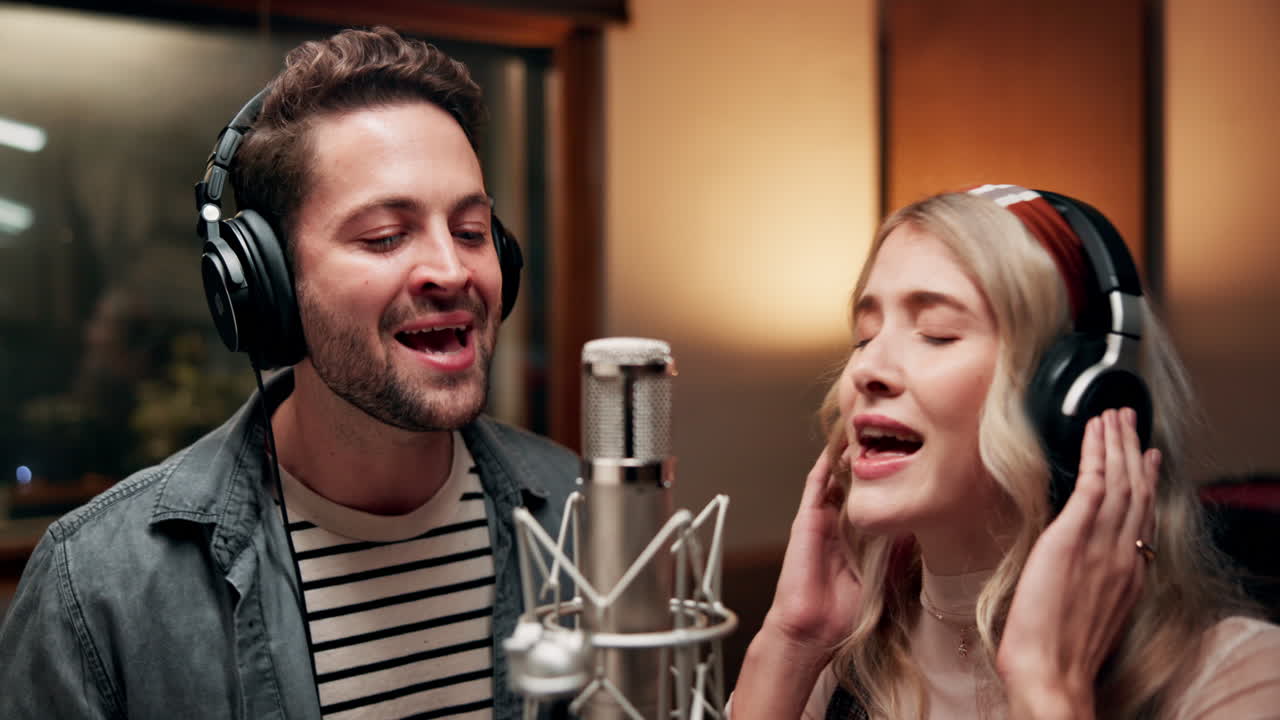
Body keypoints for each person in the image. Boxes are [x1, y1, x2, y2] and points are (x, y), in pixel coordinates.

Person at [0, 27, 577, 719]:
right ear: (264, 285)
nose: (451, 270)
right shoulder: (97, 589)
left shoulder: (584, 517)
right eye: (386, 236)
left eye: (471, 231)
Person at [731, 185, 1280, 719]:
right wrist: (790, 643)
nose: (866, 370)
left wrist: (1048, 688)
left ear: (1072, 396)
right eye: (865, 336)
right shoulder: (831, 669)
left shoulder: (1238, 679)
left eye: (937, 333)